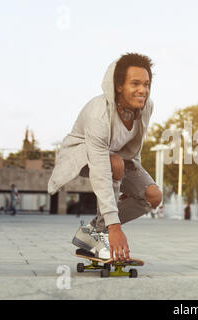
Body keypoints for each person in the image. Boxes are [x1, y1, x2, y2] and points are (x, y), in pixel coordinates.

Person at [48, 53, 162, 262]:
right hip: (83, 155)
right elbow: (101, 170)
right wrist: (115, 227)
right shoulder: (99, 114)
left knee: (153, 195)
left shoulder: (147, 106)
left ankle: (91, 233)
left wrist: (134, 186)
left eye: (146, 84)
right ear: (118, 86)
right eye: (135, 83)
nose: (142, 90)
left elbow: (132, 148)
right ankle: (103, 235)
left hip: (118, 158)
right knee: (114, 163)